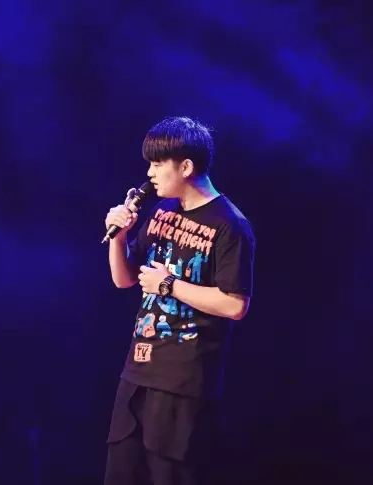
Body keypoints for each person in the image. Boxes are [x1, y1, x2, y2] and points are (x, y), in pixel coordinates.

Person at [103, 116, 255, 485]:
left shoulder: (230, 224)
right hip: (137, 373)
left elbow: (235, 305)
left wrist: (169, 285)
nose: (150, 173)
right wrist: (119, 238)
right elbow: (124, 279)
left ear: (185, 167)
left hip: (183, 381)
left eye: (158, 163)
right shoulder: (163, 211)